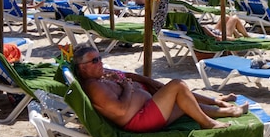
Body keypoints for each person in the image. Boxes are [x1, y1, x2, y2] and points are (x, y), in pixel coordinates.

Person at [72, 44, 244, 132]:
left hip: (145, 108)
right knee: (177, 85)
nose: (100, 62)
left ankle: (225, 110)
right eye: (94, 61)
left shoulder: (100, 75)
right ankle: (208, 123)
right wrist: (126, 88)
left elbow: (127, 75)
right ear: (83, 68)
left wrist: (147, 81)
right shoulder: (94, 87)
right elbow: (120, 110)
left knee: (182, 100)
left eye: (100, 58)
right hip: (139, 120)